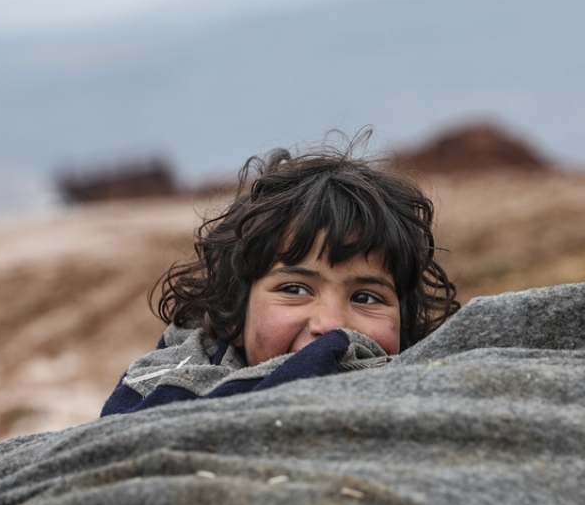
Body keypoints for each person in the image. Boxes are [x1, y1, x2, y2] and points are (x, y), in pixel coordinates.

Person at [100, 139, 460, 416]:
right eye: (295, 289)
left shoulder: (428, 387)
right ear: (236, 312)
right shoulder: (170, 384)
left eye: (366, 297)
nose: (332, 327)